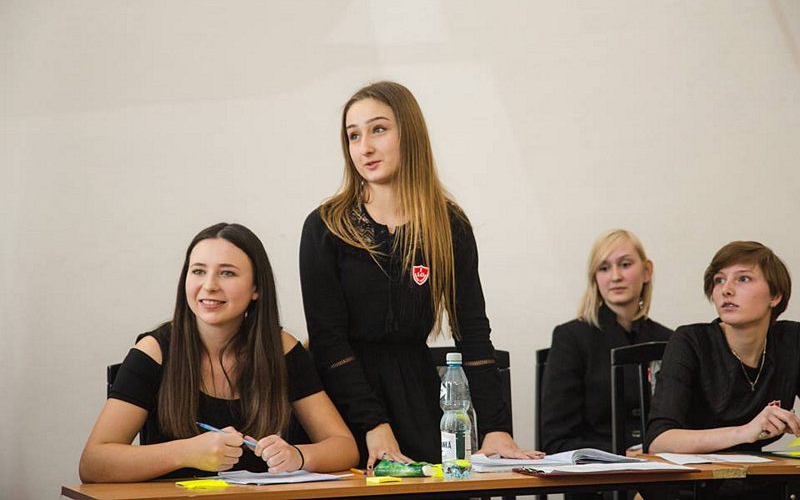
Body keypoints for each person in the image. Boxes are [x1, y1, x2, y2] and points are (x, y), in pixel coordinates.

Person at [299, 80, 541, 470]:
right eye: (353, 135)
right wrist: (374, 423)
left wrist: (497, 427)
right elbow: (328, 340)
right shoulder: (326, 226)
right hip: (340, 401)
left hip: (416, 392)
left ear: (409, 133)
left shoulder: (449, 224)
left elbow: (472, 331)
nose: (365, 147)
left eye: (378, 129)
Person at [79, 223, 358, 482]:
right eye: (198, 271)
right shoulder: (155, 351)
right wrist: (185, 452)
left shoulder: (281, 348)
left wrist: (298, 456)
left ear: (256, 288)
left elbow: (344, 447)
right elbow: (93, 463)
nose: (210, 285)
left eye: (227, 273)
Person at [646, 241, 800, 454]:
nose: (726, 290)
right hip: (695, 473)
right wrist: (745, 432)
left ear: (775, 296)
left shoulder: (791, 340)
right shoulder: (691, 341)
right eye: (719, 280)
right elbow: (658, 441)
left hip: (760, 472)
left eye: (743, 279)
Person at [541, 229, 673, 454]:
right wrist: (622, 454)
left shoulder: (669, 340)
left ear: (647, 271)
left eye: (625, 264)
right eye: (604, 268)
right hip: (600, 467)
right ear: (595, 277)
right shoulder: (571, 338)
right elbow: (557, 440)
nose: (615, 276)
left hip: (663, 463)